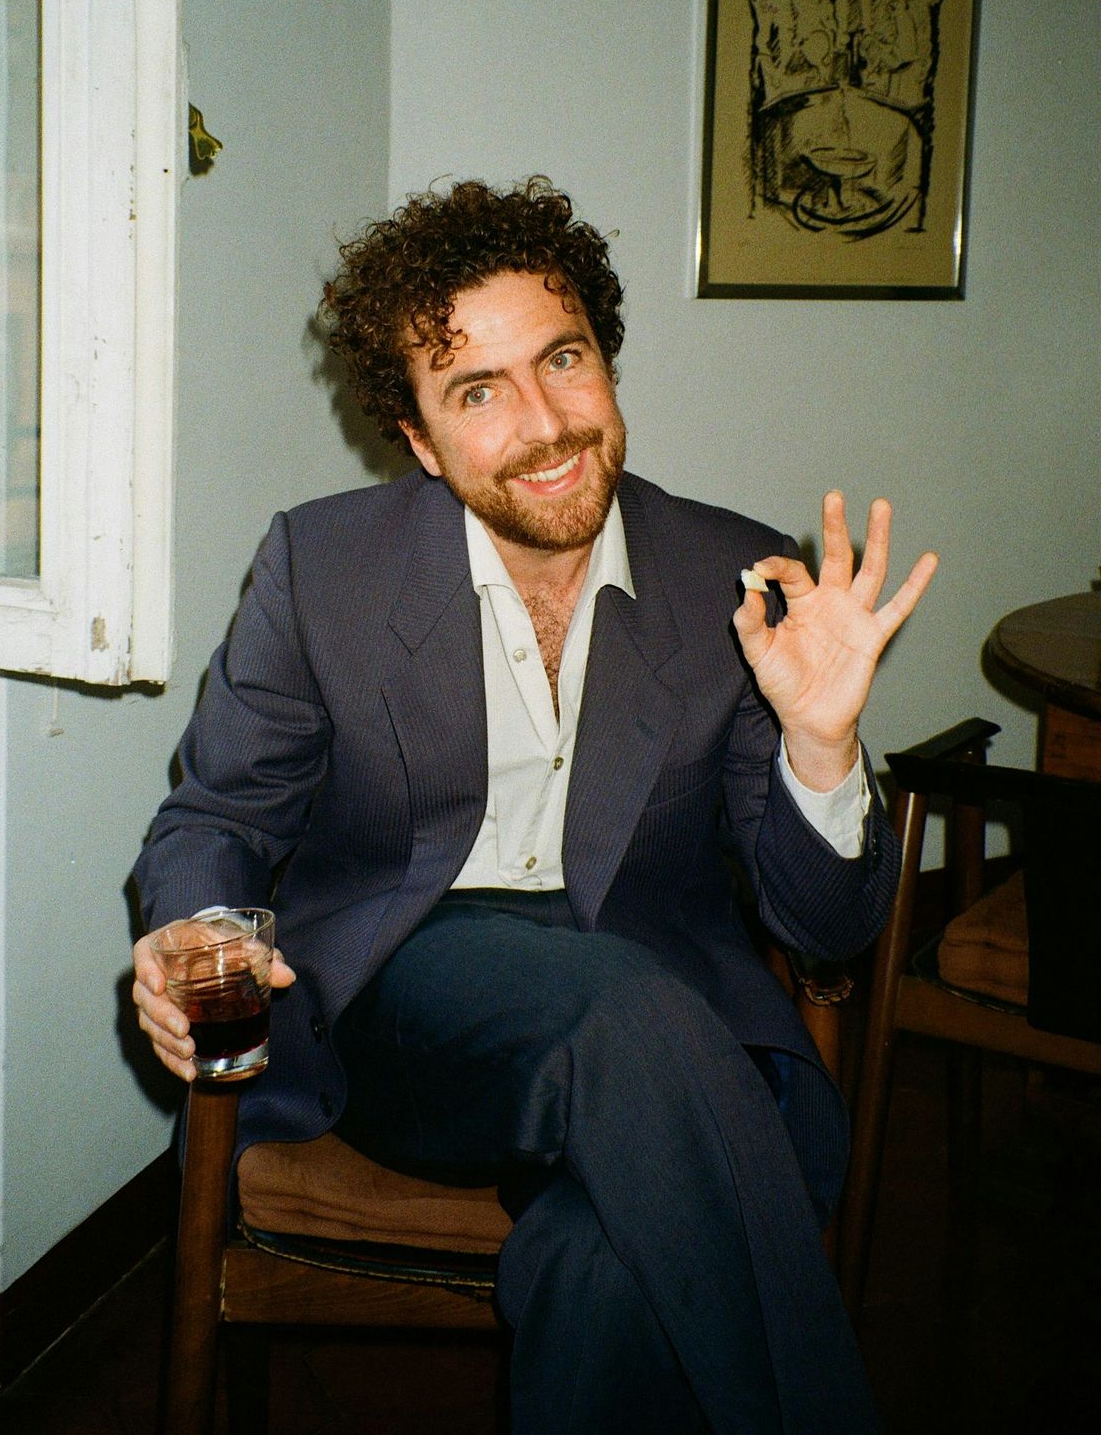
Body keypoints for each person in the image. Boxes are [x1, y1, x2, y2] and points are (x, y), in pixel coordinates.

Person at [132, 176, 937, 1434]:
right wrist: (192, 929)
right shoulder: (324, 566)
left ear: (604, 359)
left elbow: (826, 929)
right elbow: (216, 818)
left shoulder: (728, 577)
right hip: (418, 1015)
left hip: (670, 1038)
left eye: (562, 359)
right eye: (477, 390)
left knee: (603, 1263)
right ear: (419, 438)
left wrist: (822, 746)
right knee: (626, 1006)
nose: (546, 423)